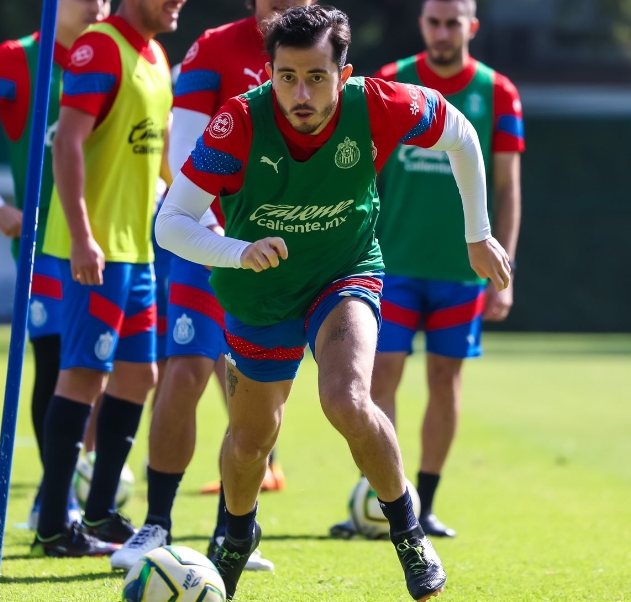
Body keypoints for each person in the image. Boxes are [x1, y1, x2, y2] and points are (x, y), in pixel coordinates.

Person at [156, 5, 512, 600]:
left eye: (316, 77)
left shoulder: (379, 103)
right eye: (286, 76)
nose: (300, 92)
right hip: (258, 288)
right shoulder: (238, 122)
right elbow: (172, 223)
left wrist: (477, 233)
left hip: (344, 274)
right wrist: (237, 250)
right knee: (250, 442)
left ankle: (407, 530)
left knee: (346, 397)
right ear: (268, 71)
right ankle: (237, 536)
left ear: (343, 74)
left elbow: (463, 135)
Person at [111, 0, 319, 573]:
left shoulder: (323, 53)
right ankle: (155, 524)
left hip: (279, 256)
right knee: (186, 370)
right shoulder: (211, 48)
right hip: (208, 242)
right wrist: (218, 237)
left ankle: (235, 533)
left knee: (255, 388)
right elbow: (183, 155)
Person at [330, 0, 524, 540]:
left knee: (446, 378)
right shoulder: (392, 82)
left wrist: (502, 262)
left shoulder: (499, 92)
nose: (442, 32)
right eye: (434, 22)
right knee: (377, 378)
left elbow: (508, 187)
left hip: (462, 272)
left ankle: (427, 503)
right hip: (392, 265)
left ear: (472, 26)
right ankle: (377, 502)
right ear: (422, 24)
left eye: (453, 23)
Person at [0, 0, 110, 530]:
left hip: (109, 243)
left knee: (103, 371)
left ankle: (84, 488)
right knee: (56, 364)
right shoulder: (20, 58)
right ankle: (54, 497)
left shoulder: (116, 53)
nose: (98, 5)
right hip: (45, 250)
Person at [31, 0, 186, 558]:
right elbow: (67, 143)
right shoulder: (100, 47)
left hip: (138, 250)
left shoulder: (158, 55)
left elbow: (164, 155)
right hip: (95, 249)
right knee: (80, 378)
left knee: (138, 376)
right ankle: (52, 523)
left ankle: (97, 513)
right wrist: (80, 236)